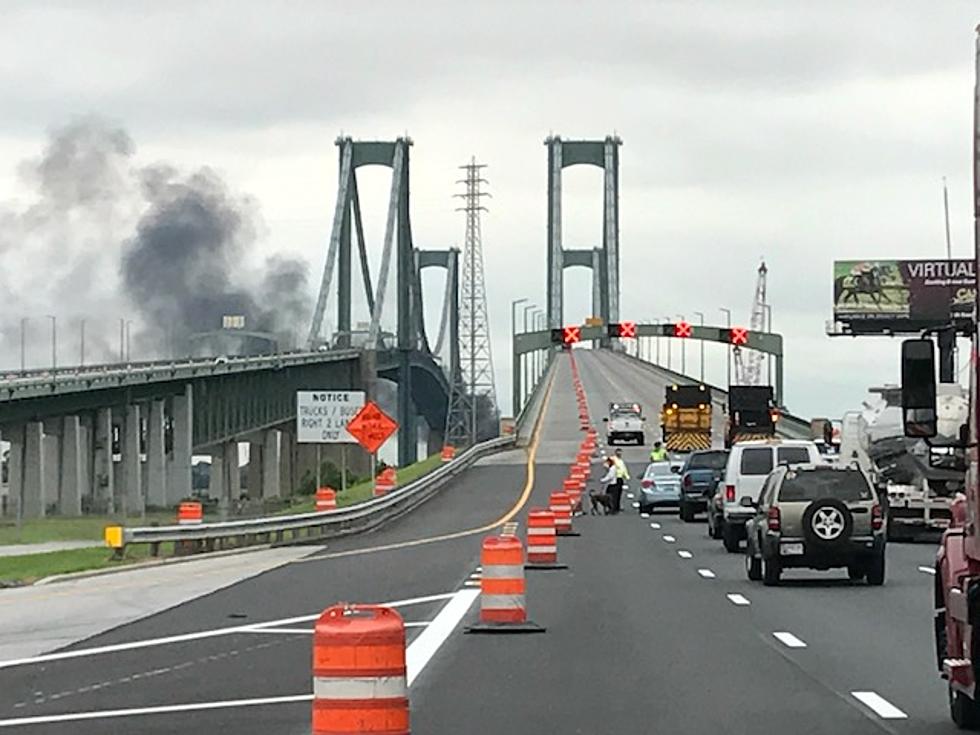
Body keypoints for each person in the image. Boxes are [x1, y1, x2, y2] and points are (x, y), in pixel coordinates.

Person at [612, 449, 630, 513]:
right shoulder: (612, 459)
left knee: (619, 493)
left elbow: (623, 469)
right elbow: (606, 465)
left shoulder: (621, 461)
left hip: (620, 478)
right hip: (615, 478)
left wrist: (626, 476)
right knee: (615, 493)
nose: (619, 454)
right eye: (618, 453)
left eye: (620, 453)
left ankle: (617, 506)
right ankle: (614, 506)